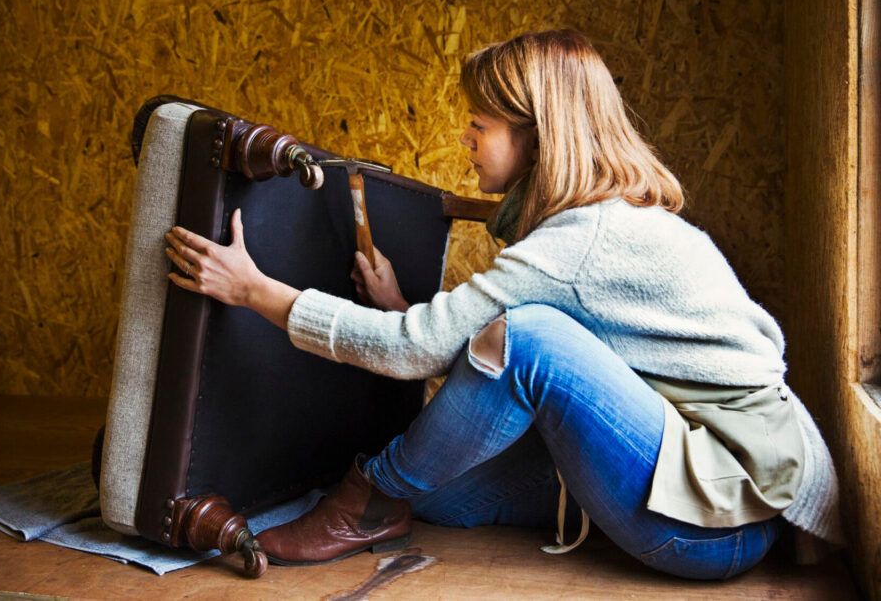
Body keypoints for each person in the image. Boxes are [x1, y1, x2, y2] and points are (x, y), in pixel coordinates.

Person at [162, 30, 844, 580]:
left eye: (479, 124)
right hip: (699, 481)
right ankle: (399, 494)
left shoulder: (586, 239)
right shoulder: (597, 223)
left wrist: (254, 289)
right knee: (439, 492)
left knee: (530, 337)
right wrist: (406, 303)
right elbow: (479, 357)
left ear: (536, 137)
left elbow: (430, 349)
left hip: (711, 521)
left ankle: (366, 498)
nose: (465, 137)